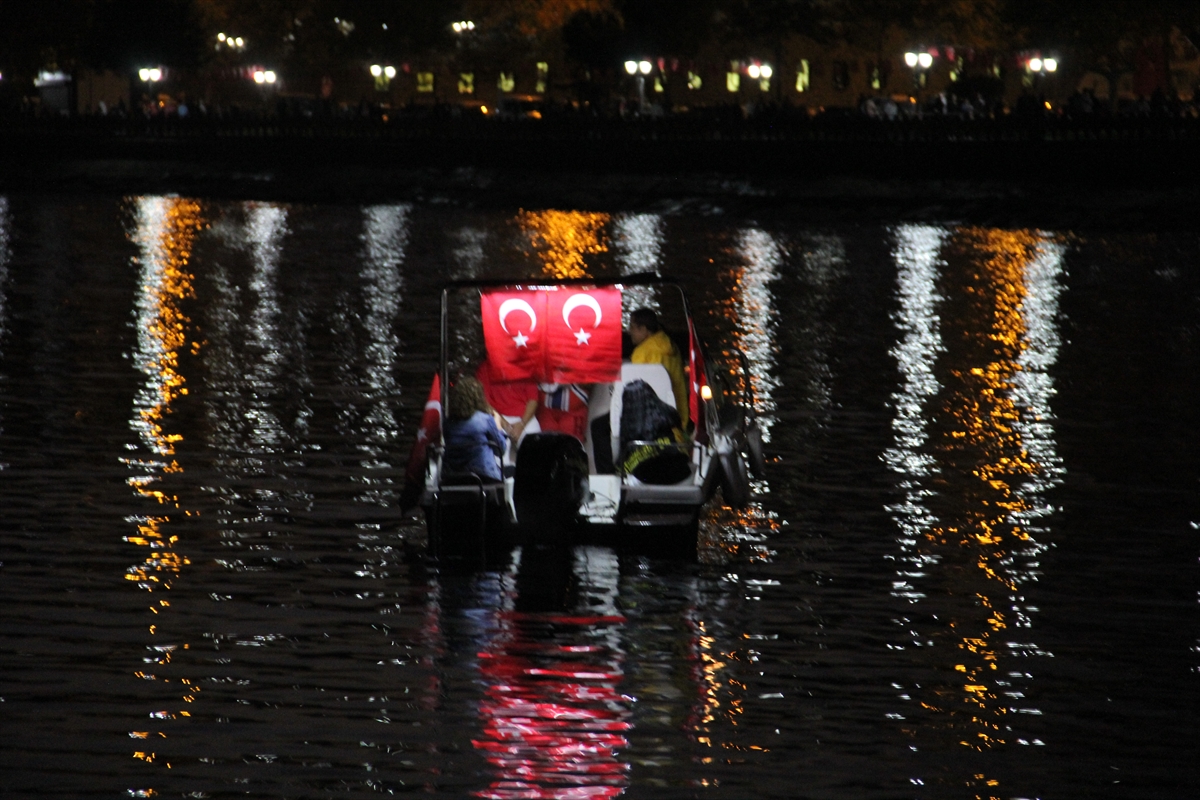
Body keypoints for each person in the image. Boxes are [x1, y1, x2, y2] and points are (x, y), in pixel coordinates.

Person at [627, 308, 689, 429]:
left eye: (632, 327)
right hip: (678, 419)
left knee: (599, 426)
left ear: (644, 329)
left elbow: (634, 390)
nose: (629, 331)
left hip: (651, 422)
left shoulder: (642, 353)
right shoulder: (672, 347)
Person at [442, 376, 507, 482]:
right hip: (485, 478)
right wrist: (498, 426)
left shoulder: (448, 423)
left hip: (453, 478)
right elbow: (500, 450)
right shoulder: (485, 419)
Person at [475, 357, 540, 462]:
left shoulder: (525, 365)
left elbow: (533, 400)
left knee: (534, 458)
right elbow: (484, 402)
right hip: (498, 417)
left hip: (525, 418)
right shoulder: (485, 368)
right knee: (499, 460)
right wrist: (503, 423)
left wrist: (522, 424)